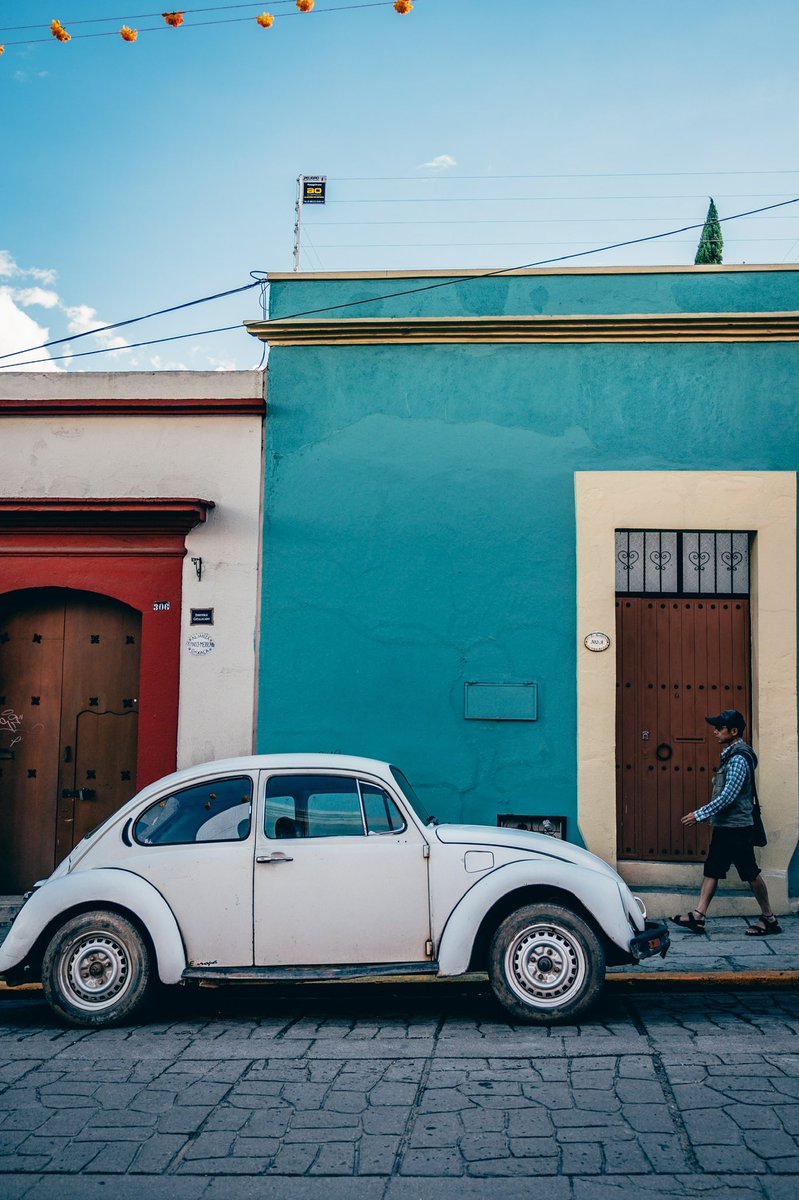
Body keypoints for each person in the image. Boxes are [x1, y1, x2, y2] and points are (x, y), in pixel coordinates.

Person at [671, 709, 781, 936]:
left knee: (749, 872)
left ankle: (769, 919)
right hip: (725, 826)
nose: (715, 732)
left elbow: (728, 796)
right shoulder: (731, 755)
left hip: (738, 828)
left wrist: (699, 814)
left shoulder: (739, 759)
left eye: (719, 728)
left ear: (734, 731)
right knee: (713, 869)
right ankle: (698, 916)